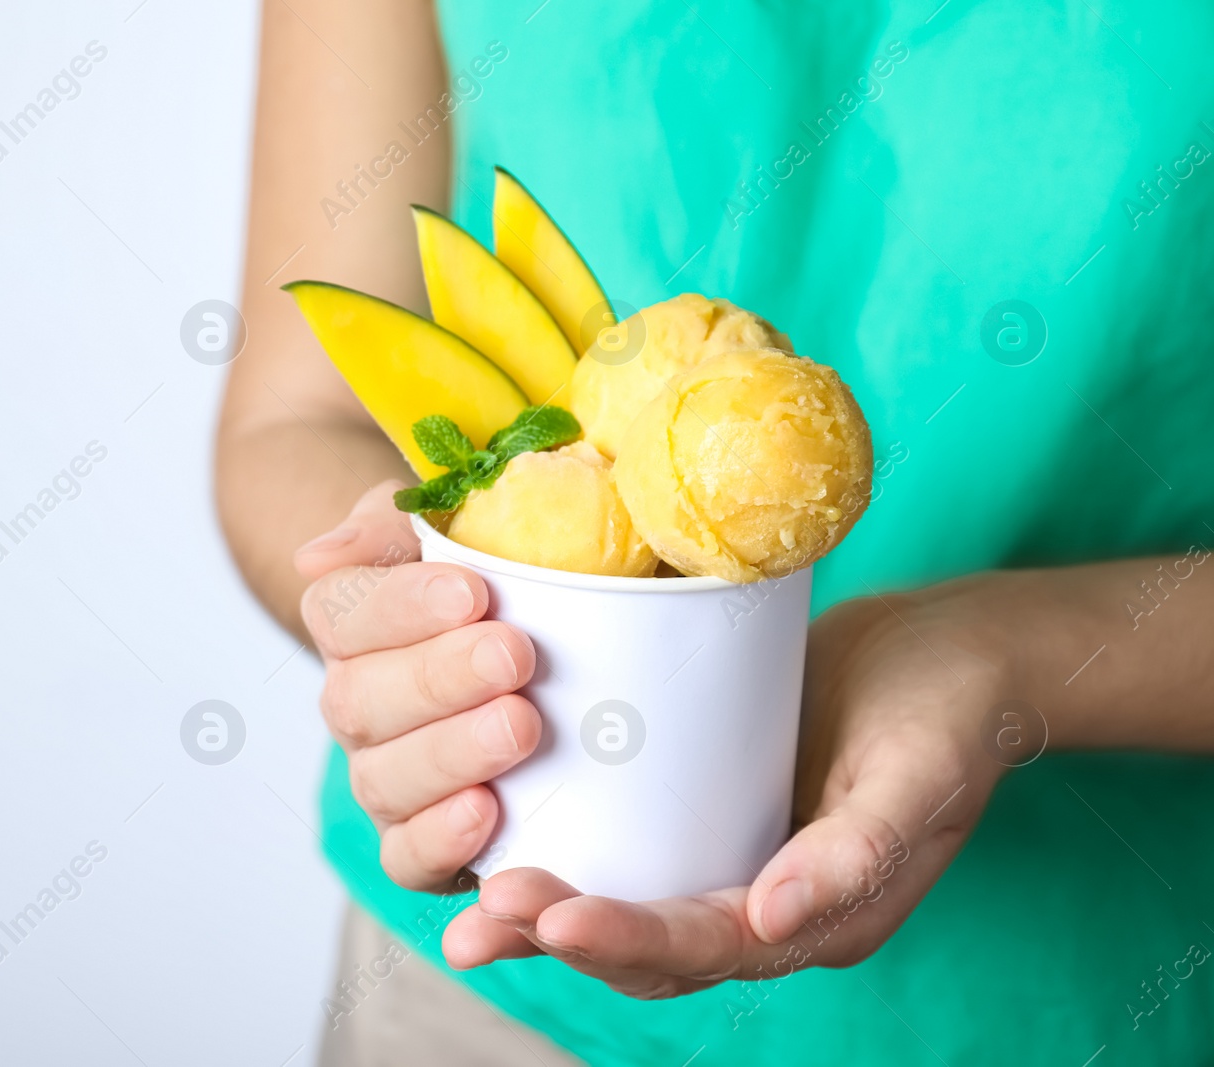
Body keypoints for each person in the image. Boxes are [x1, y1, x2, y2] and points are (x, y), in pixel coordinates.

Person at [216, 1, 1214, 1063]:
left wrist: (1014, 649)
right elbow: (297, 420)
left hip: (1088, 996)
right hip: (504, 996)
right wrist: (420, 623)